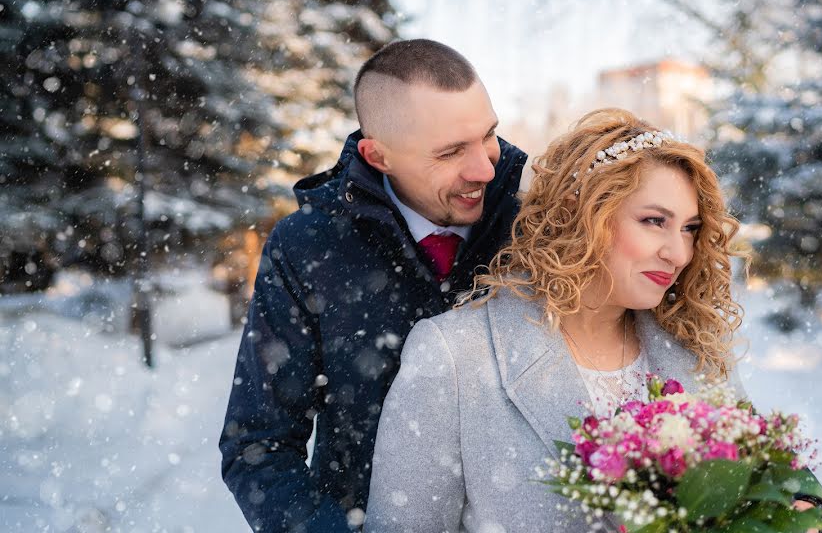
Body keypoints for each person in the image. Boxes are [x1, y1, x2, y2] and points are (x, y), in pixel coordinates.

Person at [365, 107, 749, 532]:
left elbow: (762, 483)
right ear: (579, 214)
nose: (677, 253)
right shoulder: (455, 355)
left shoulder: (691, 348)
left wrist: (801, 502)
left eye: (689, 228)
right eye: (654, 221)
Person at [219, 39, 527, 532]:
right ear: (377, 155)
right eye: (450, 152)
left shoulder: (537, 224)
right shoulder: (308, 249)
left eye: (488, 135)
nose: (485, 169)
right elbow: (258, 444)